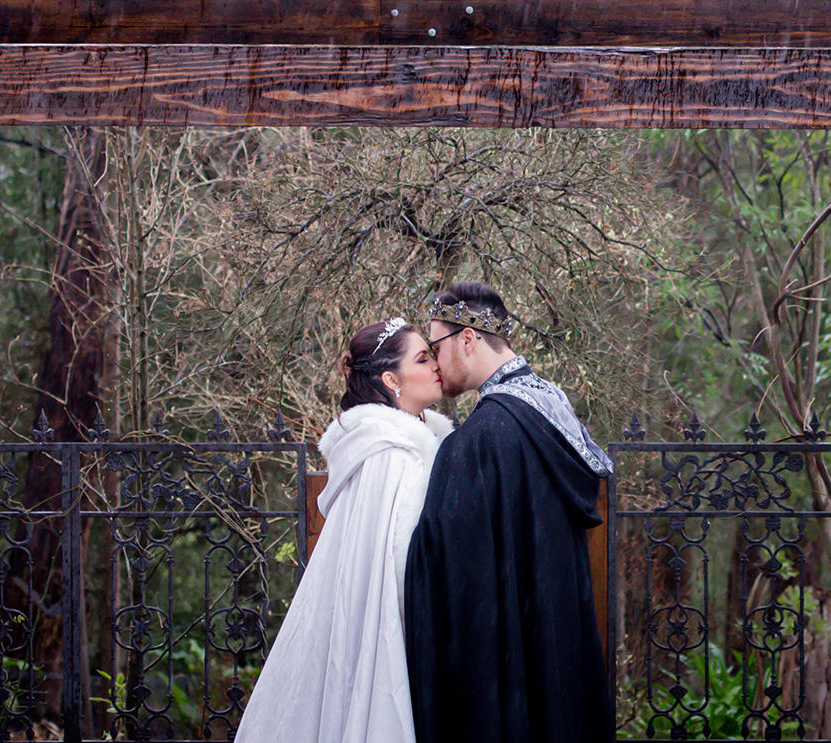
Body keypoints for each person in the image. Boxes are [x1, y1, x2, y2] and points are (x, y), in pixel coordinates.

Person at [403, 282, 616, 743]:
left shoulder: (479, 440)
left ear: (466, 340)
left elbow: (451, 577)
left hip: (510, 676)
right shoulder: (551, 409)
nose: (435, 363)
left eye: (435, 347)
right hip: (561, 652)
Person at [235, 317, 452, 743]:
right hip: (394, 631)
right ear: (392, 379)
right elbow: (397, 564)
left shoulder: (391, 445)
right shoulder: (390, 455)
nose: (436, 366)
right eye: (423, 358)